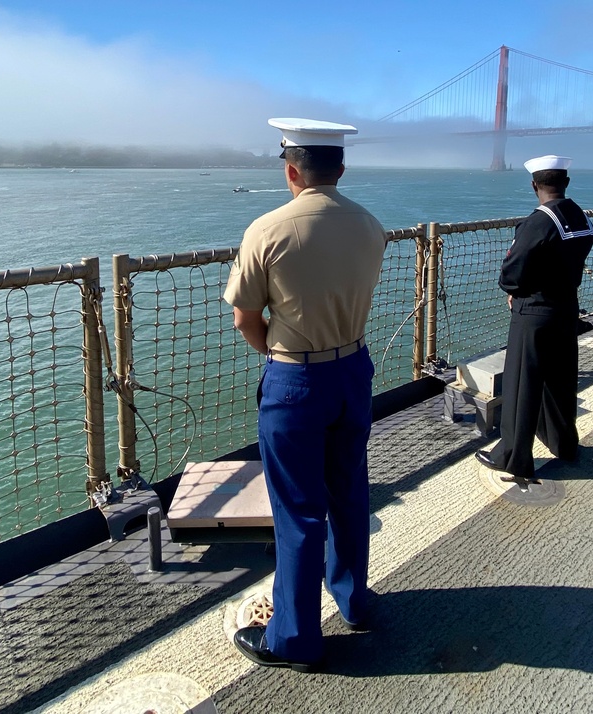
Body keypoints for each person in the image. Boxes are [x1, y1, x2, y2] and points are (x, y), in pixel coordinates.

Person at [224, 118, 386, 672]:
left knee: (298, 511)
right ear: (340, 168)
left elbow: (246, 316)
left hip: (296, 378)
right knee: (348, 493)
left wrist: (274, 350)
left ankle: (294, 638)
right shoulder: (370, 226)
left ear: (291, 170)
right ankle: (355, 602)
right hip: (353, 370)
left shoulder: (266, 230)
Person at [475, 155, 593, 487]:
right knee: (560, 381)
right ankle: (564, 444)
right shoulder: (578, 216)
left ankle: (513, 456)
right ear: (566, 183)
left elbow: (513, 270)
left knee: (521, 384)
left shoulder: (539, 221)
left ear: (534, 185)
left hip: (534, 311)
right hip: (566, 307)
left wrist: (515, 290)